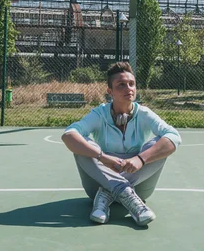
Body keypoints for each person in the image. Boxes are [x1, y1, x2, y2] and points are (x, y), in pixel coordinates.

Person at [61, 61, 181, 226]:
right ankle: (127, 197)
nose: (128, 89)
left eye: (131, 84)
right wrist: (102, 157)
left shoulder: (144, 114)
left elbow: (174, 136)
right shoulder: (99, 114)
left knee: (161, 144)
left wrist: (140, 159)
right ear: (110, 91)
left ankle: (108, 194)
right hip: (98, 182)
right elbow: (68, 135)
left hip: (140, 185)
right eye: (121, 85)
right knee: (82, 146)